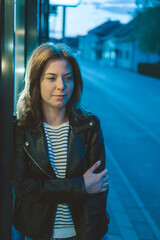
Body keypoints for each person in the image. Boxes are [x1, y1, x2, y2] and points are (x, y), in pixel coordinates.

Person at [11, 42, 109, 240]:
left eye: (68, 78)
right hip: (36, 234)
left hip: (81, 233)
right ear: (36, 81)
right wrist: (81, 185)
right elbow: (23, 188)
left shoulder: (89, 126)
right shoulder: (21, 129)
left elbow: (98, 189)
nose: (61, 86)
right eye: (51, 78)